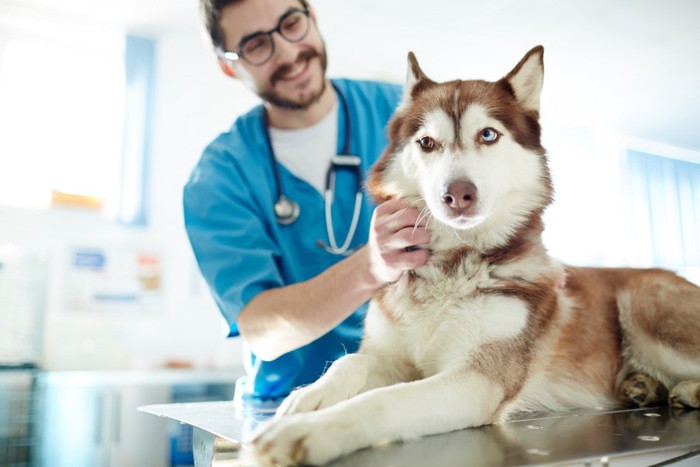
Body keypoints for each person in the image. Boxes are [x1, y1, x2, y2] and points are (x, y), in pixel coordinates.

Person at [184, 0, 431, 405]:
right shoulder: (219, 177)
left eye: (291, 23)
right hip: (290, 406)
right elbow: (262, 331)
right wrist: (370, 266)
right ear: (229, 66)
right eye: (256, 45)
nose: (286, 51)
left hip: (409, 392)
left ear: (312, 17)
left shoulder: (405, 113)